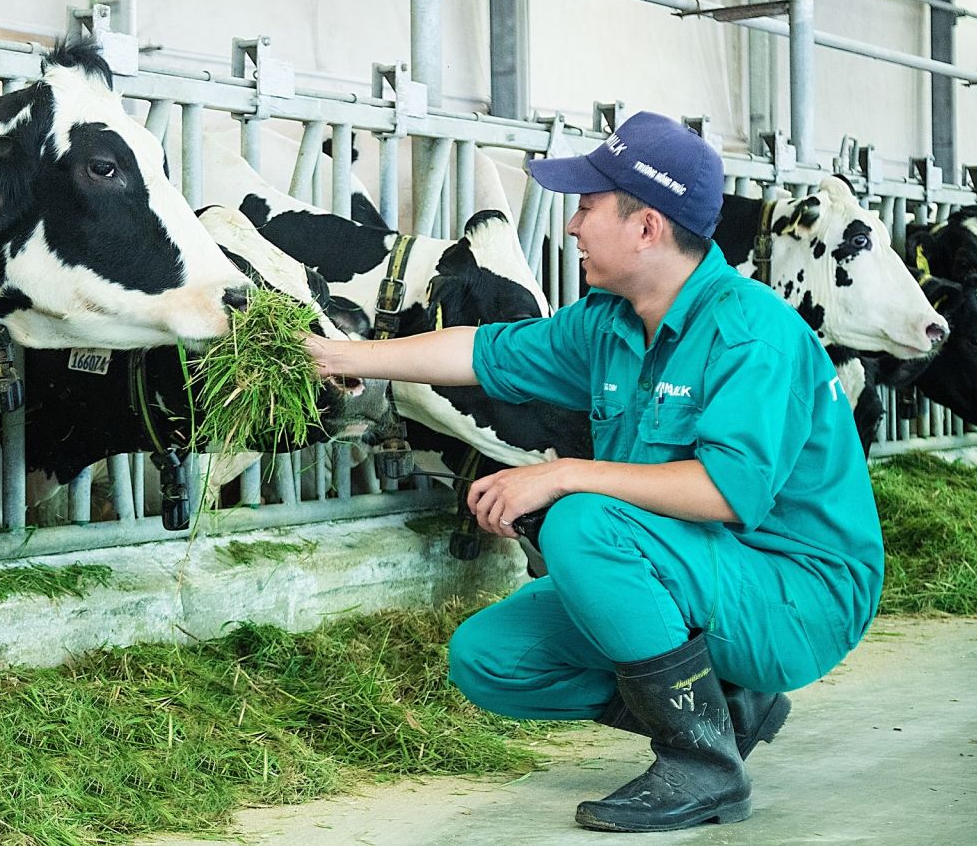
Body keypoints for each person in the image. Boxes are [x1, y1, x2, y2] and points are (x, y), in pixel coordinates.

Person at [305, 112, 885, 833]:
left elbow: (725, 492)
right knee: (490, 658)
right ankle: (725, 707)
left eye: (586, 207)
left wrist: (562, 475)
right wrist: (346, 357)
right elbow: (480, 352)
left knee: (582, 518)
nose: (572, 226)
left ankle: (703, 767)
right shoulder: (609, 321)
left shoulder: (750, 331)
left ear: (646, 226)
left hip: (798, 593)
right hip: (702, 574)